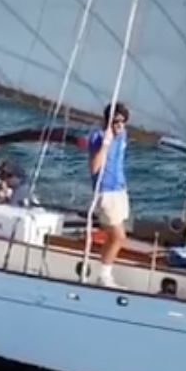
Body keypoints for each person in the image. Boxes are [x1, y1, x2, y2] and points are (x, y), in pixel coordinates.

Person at [84, 101, 130, 286]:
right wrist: (105, 144)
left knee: (114, 235)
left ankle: (104, 272)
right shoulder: (98, 136)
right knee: (119, 236)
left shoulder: (123, 133)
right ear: (107, 121)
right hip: (106, 190)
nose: (120, 125)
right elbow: (94, 168)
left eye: (123, 122)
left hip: (119, 189)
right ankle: (104, 275)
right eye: (116, 122)